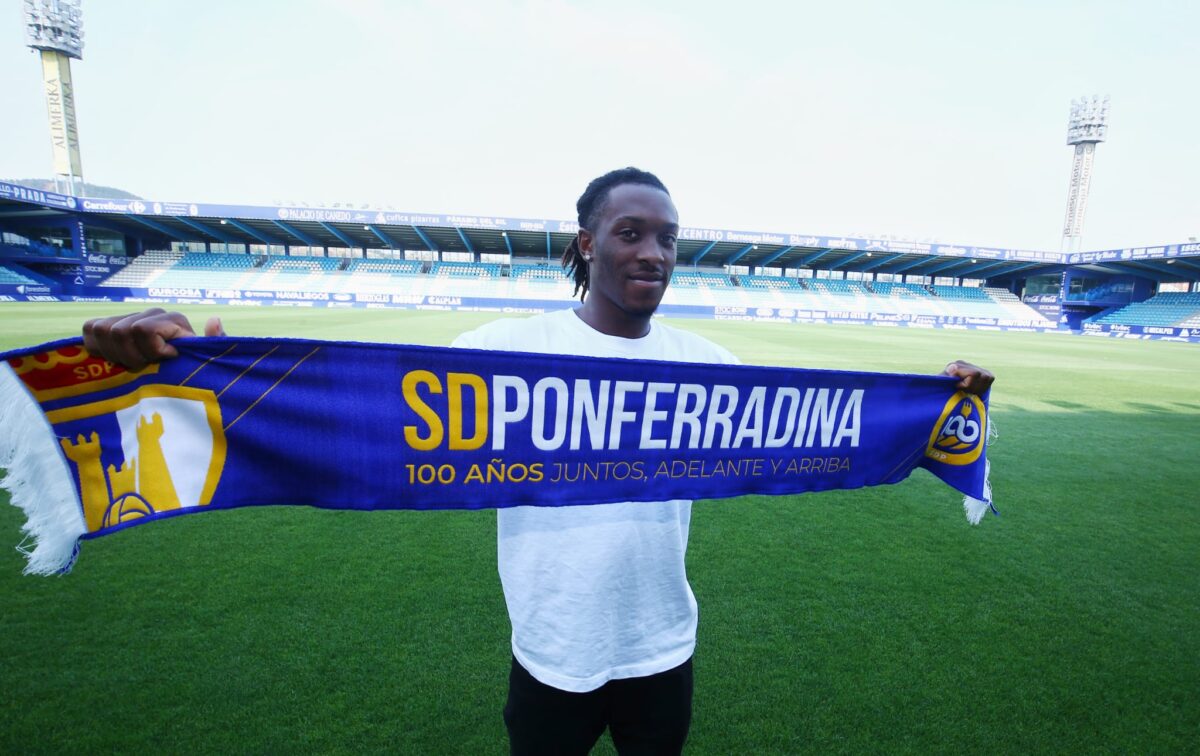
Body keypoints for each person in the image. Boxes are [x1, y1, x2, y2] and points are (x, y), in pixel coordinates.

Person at [81, 168, 994, 755]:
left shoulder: (704, 367)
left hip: (662, 644)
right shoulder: (502, 347)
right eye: (632, 231)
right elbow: (362, 401)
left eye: (668, 237)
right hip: (552, 646)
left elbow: (821, 423)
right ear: (587, 243)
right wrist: (200, 365)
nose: (655, 252)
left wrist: (937, 406)